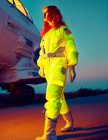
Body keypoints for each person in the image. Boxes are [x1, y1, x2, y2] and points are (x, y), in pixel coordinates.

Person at [36, 6, 79, 140]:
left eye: (48, 12)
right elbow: (42, 54)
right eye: (43, 13)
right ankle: (69, 123)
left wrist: (72, 66)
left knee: (52, 96)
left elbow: (71, 46)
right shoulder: (45, 36)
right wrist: (41, 67)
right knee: (59, 98)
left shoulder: (63, 30)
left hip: (59, 65)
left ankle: (49, 135)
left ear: (55, 14)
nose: (45, 14)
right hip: (48, 68)